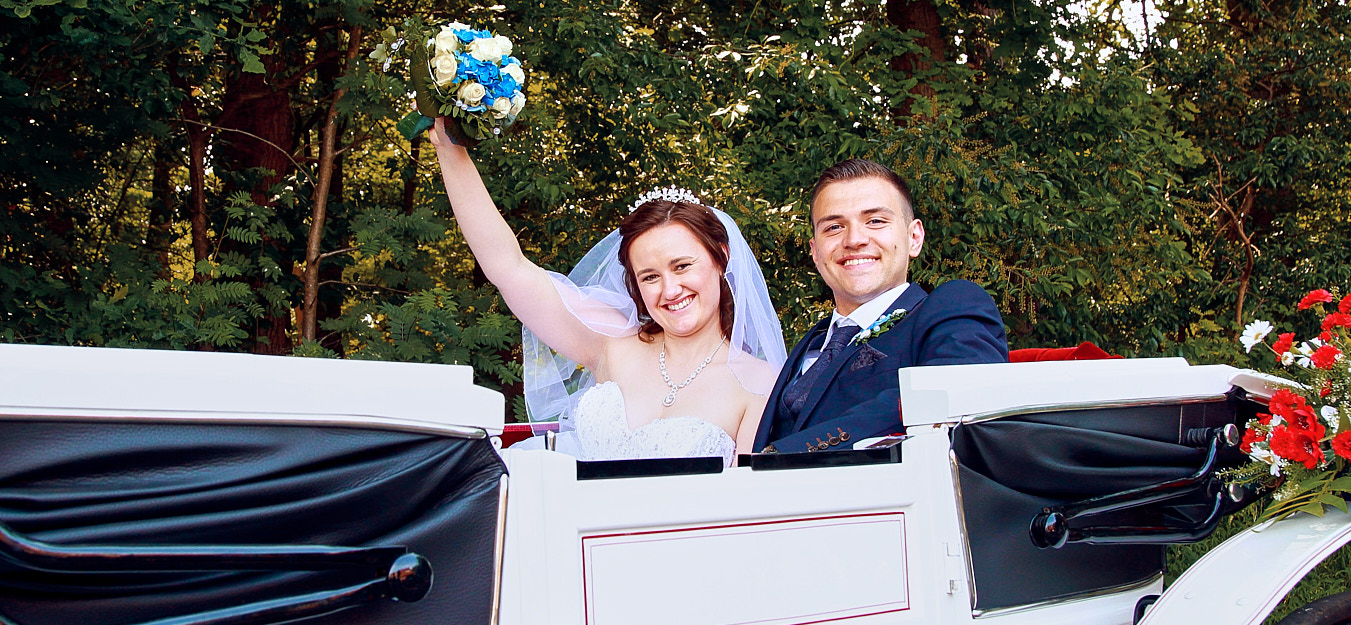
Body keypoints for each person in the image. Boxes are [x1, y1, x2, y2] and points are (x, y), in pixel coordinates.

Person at [430, 120, 785, 463]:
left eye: (682, 266)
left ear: (721, 258)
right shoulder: (612, 345)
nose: (670, 289)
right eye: (649, 277)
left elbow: (748, 503)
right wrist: (449, 149)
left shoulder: (758, 381)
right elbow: (509, 268)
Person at [756, 159, 1009, 454]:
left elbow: (954, 396)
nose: (854, 239)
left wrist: (779, 458)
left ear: (914, 238)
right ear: (814, 251)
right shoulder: (811, 344)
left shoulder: (951, 309)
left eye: (875, 221)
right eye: (834, 227)